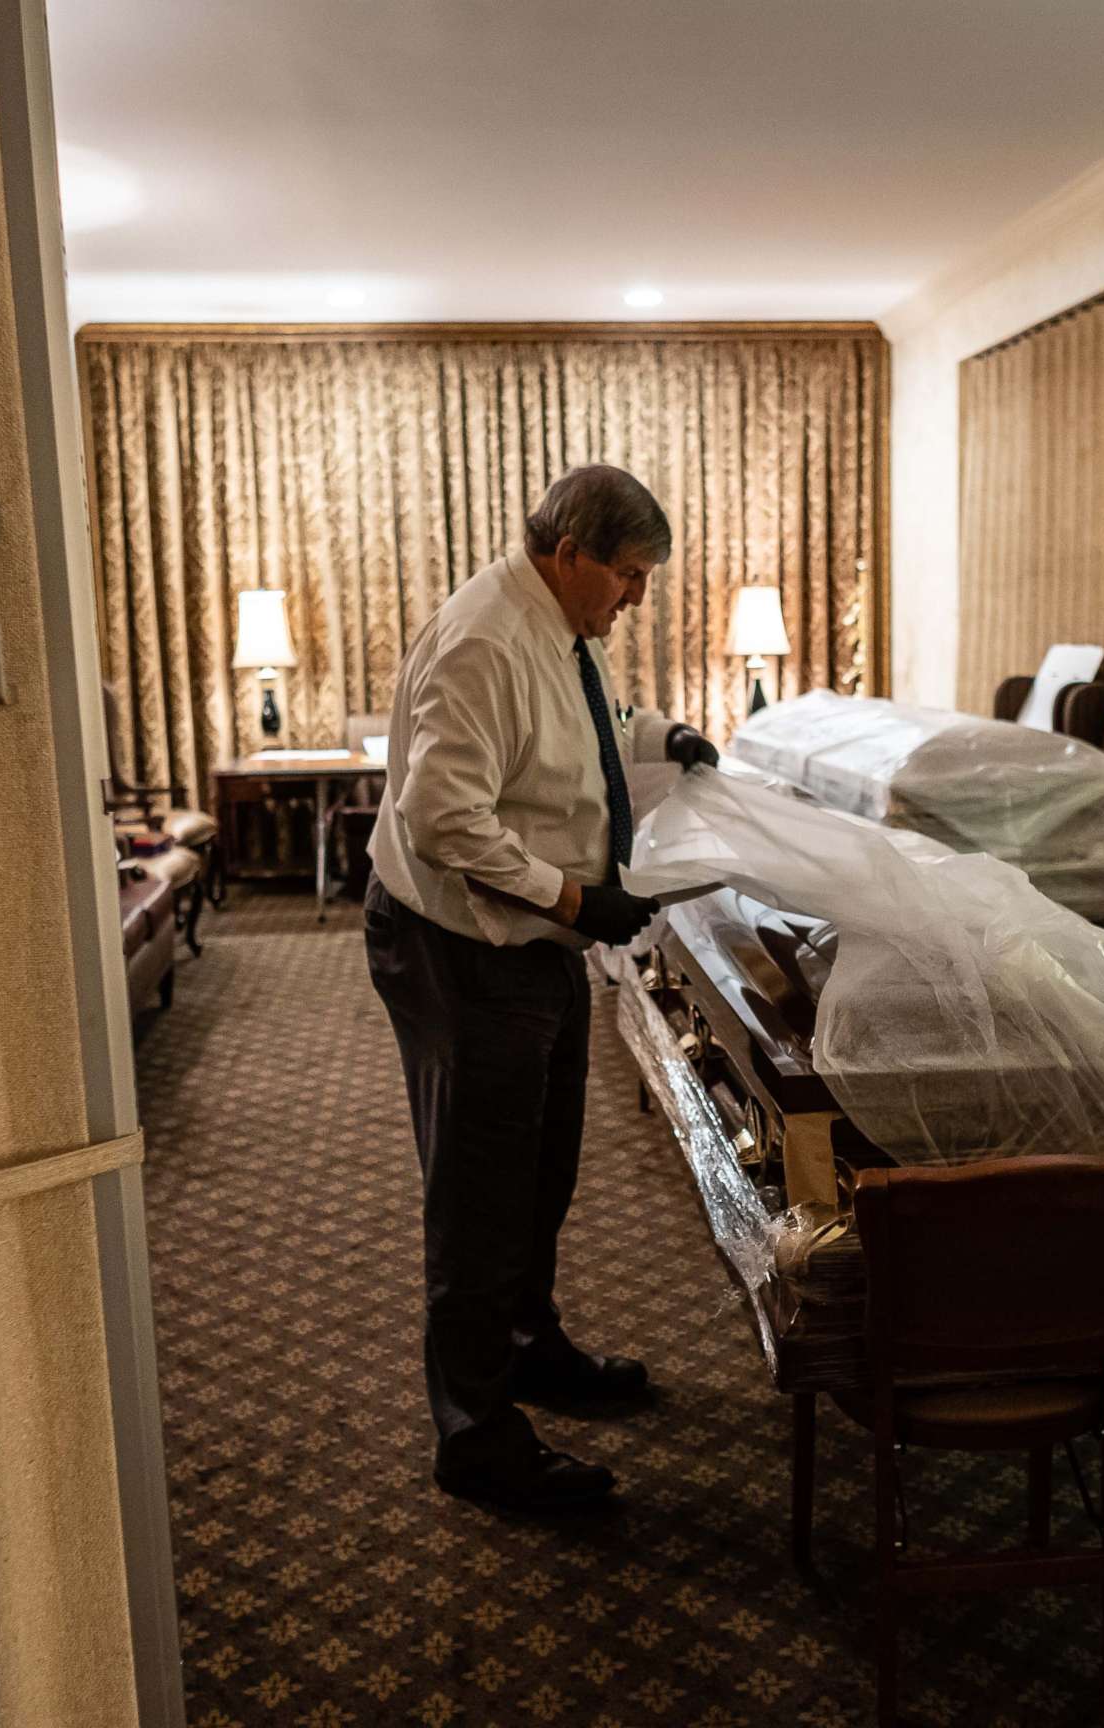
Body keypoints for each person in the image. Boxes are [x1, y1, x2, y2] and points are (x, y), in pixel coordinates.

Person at [364, 464, 719, 1513]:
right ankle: (474, 1435)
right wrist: (572, 900)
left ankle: (527, 1345)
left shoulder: (560, 626)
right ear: (570, 552)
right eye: (629, 574)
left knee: (540, 1170)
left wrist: (665, 737)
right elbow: (445, 821)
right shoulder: (486, 642)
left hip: (530, 947)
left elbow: (593, 720)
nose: (637, 597)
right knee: (480, 1197)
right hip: (465, 946)